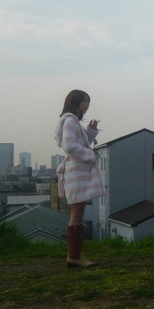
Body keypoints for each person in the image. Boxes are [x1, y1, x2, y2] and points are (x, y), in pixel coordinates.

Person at [55, 90, 104, 268]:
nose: (87, 105)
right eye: (84, 101)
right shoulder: (70, 121)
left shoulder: (72, 121)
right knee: (76, 215)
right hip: (76, 174)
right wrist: (89, 155)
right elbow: (69, 145)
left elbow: (80, 142)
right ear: (75, 101)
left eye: (88, 101)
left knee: (78, 214)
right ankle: (75, 256)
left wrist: (90, 131)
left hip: (77, 174)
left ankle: (76, 254)